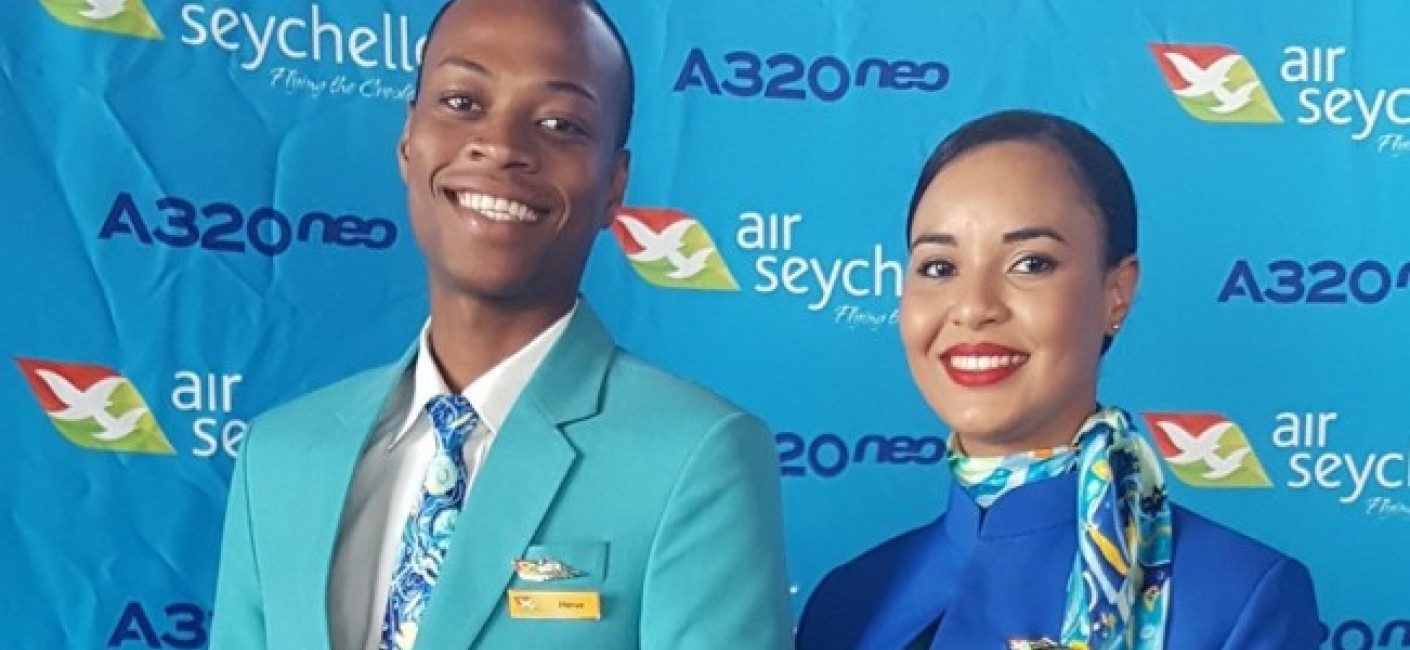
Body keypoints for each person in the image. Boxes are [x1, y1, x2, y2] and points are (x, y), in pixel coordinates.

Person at [209, 1, 792, 648]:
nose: (503, 146)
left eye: (560, 123)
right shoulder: (278, 458)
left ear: (613, 185)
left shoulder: (697, 457)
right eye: (462, 102)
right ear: (407, 141)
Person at [796, 109, 1319, 649]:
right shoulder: (848, 601)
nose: (973, 307)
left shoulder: (1239, 598)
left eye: (1030, 263)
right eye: (939, 268)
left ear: (1116, 292)